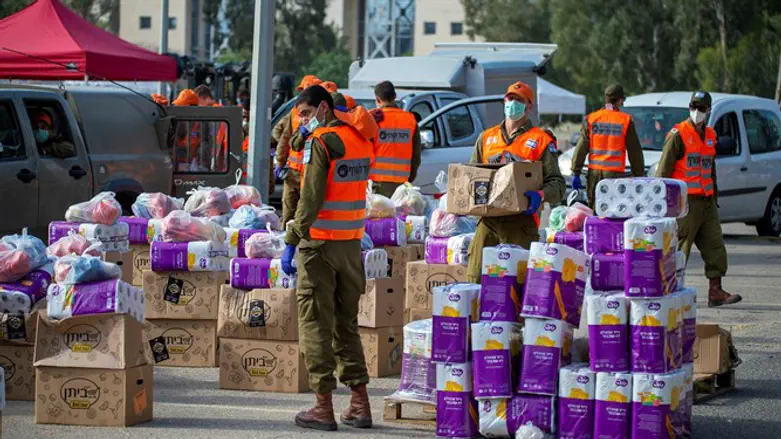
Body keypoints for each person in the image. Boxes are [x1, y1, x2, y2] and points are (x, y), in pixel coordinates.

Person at [280, 85, 373, 431]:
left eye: (305, 114)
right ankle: (360, 403)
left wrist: (291, 239)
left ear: (322, 108)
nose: (302, 121)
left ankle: (322, 406)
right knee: (346, 325)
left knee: (314, 324)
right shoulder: (360, 141)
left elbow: (311, 199)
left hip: (318, 246)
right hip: (350, 246)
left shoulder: (322, 143)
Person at [466, 80, 565, 283]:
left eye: (519, 100)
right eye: (510, 98)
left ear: (529, 107)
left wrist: (541, 195)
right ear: (504, 101)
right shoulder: (486, 138)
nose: (512, 103)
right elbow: (471, 176)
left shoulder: (541, 140)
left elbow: (557, 184)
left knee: (515, 286)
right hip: (488, 223)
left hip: (521, 223)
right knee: (476, 281)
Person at [656, 91, 742, 307]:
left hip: (707, 201)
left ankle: (715, 291)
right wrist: (662, 202)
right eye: (694, 106)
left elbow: (710, 169)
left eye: (701, 108)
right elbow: (663, 171)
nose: (697, 112)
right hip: (685, 203)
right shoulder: (678, 134)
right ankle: (669, 291)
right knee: (680, 248)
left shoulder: (711, 135)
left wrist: (714, 195)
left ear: (709, 110)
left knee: (715, 246)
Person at [570, 83, 644, 207]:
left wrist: (575, 172)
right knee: (613, 211)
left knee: (595, 211)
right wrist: (639, 175)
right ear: (620, 100)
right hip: (614, 177)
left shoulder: (592, 119)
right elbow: (634, 152)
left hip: (594, 175)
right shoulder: (625, 121)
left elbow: (581, 148)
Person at [272, 75, 323, 226]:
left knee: (304, 211)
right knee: (289, 210)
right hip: (295, 170)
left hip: (309, 171)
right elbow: (281, 134)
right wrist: (281, 161)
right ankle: (286, 241)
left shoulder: (322, 115)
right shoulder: (295, 112)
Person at [368, 80, 421, 198]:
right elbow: (416, 156)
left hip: (377, 184)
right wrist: (409, 178)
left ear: (377, 99)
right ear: (395, 96)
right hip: (403, 184)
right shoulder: (410, 120)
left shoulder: (372, 120)